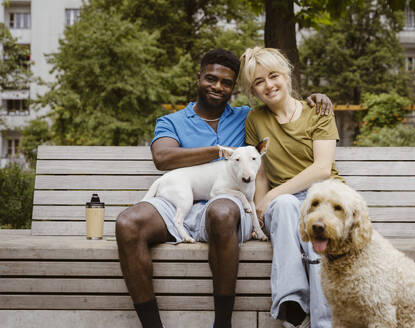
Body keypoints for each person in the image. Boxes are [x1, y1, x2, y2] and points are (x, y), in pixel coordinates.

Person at [115, 48, 333, 328]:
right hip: (178, 200)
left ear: (234, 88)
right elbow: (163, 158)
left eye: (226, 82)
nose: (217, 86)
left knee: (221, 212)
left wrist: (317, 98)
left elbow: (280, 106)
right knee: (127, 223)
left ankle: (223, 324)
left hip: (226, 206)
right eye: (211, 78)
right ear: (199, 78)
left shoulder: (248, 117)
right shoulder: (172, 121)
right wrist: (218, 151)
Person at [239, 47, 344, 328]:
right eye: (259, 82)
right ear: (253, 89)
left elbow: (322, 168)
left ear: (286, 75)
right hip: (285, 206)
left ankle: (323, 322)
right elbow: (259, 173)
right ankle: (292, 305)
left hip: (324, 196)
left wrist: (273, 194)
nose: (268, 85)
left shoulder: (318, 111)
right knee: (284, 206)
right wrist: (258, 209)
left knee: (315, 222)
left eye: (273, 76)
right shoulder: (255, 119)